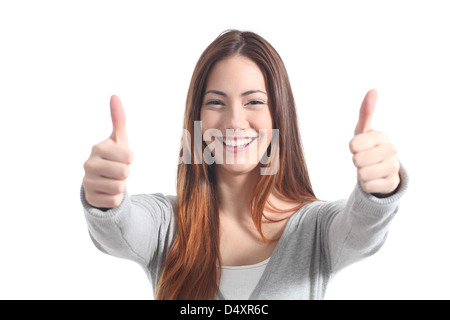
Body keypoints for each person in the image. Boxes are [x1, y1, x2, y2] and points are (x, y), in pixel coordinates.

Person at [81, 30, 408, 300]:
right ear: (196, 119)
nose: (235, 122)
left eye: (254, 101)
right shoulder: (167, 225)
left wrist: (379, 193)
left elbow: (361, 231)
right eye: (215, 102)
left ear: (278, 116)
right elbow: (119, 229)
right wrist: (104, 199)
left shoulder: (315, 228)